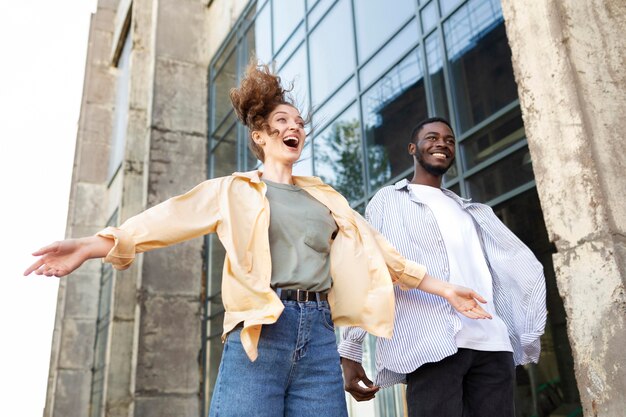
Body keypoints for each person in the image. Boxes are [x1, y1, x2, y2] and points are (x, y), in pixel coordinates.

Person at [24, 65, 492, 417]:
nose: (294, 128)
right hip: (261, 333)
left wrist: (446, 289)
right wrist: (92, 244)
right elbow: (167, 219)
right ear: (261, 136)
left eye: (299, 123)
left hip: (319, 336)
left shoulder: (325, 197)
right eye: (282, 121)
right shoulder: (234, 190)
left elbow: (386, 256)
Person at [339, 117, 547, 417]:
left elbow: (521, 268)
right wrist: (351, 347)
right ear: (413, 148)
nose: (442, 143)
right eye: (432, 137)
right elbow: (371, 269)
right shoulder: (389, 201)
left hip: (493, 345)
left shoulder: (476, 211)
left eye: (449, 140)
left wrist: (526, 332)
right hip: (432, 344)